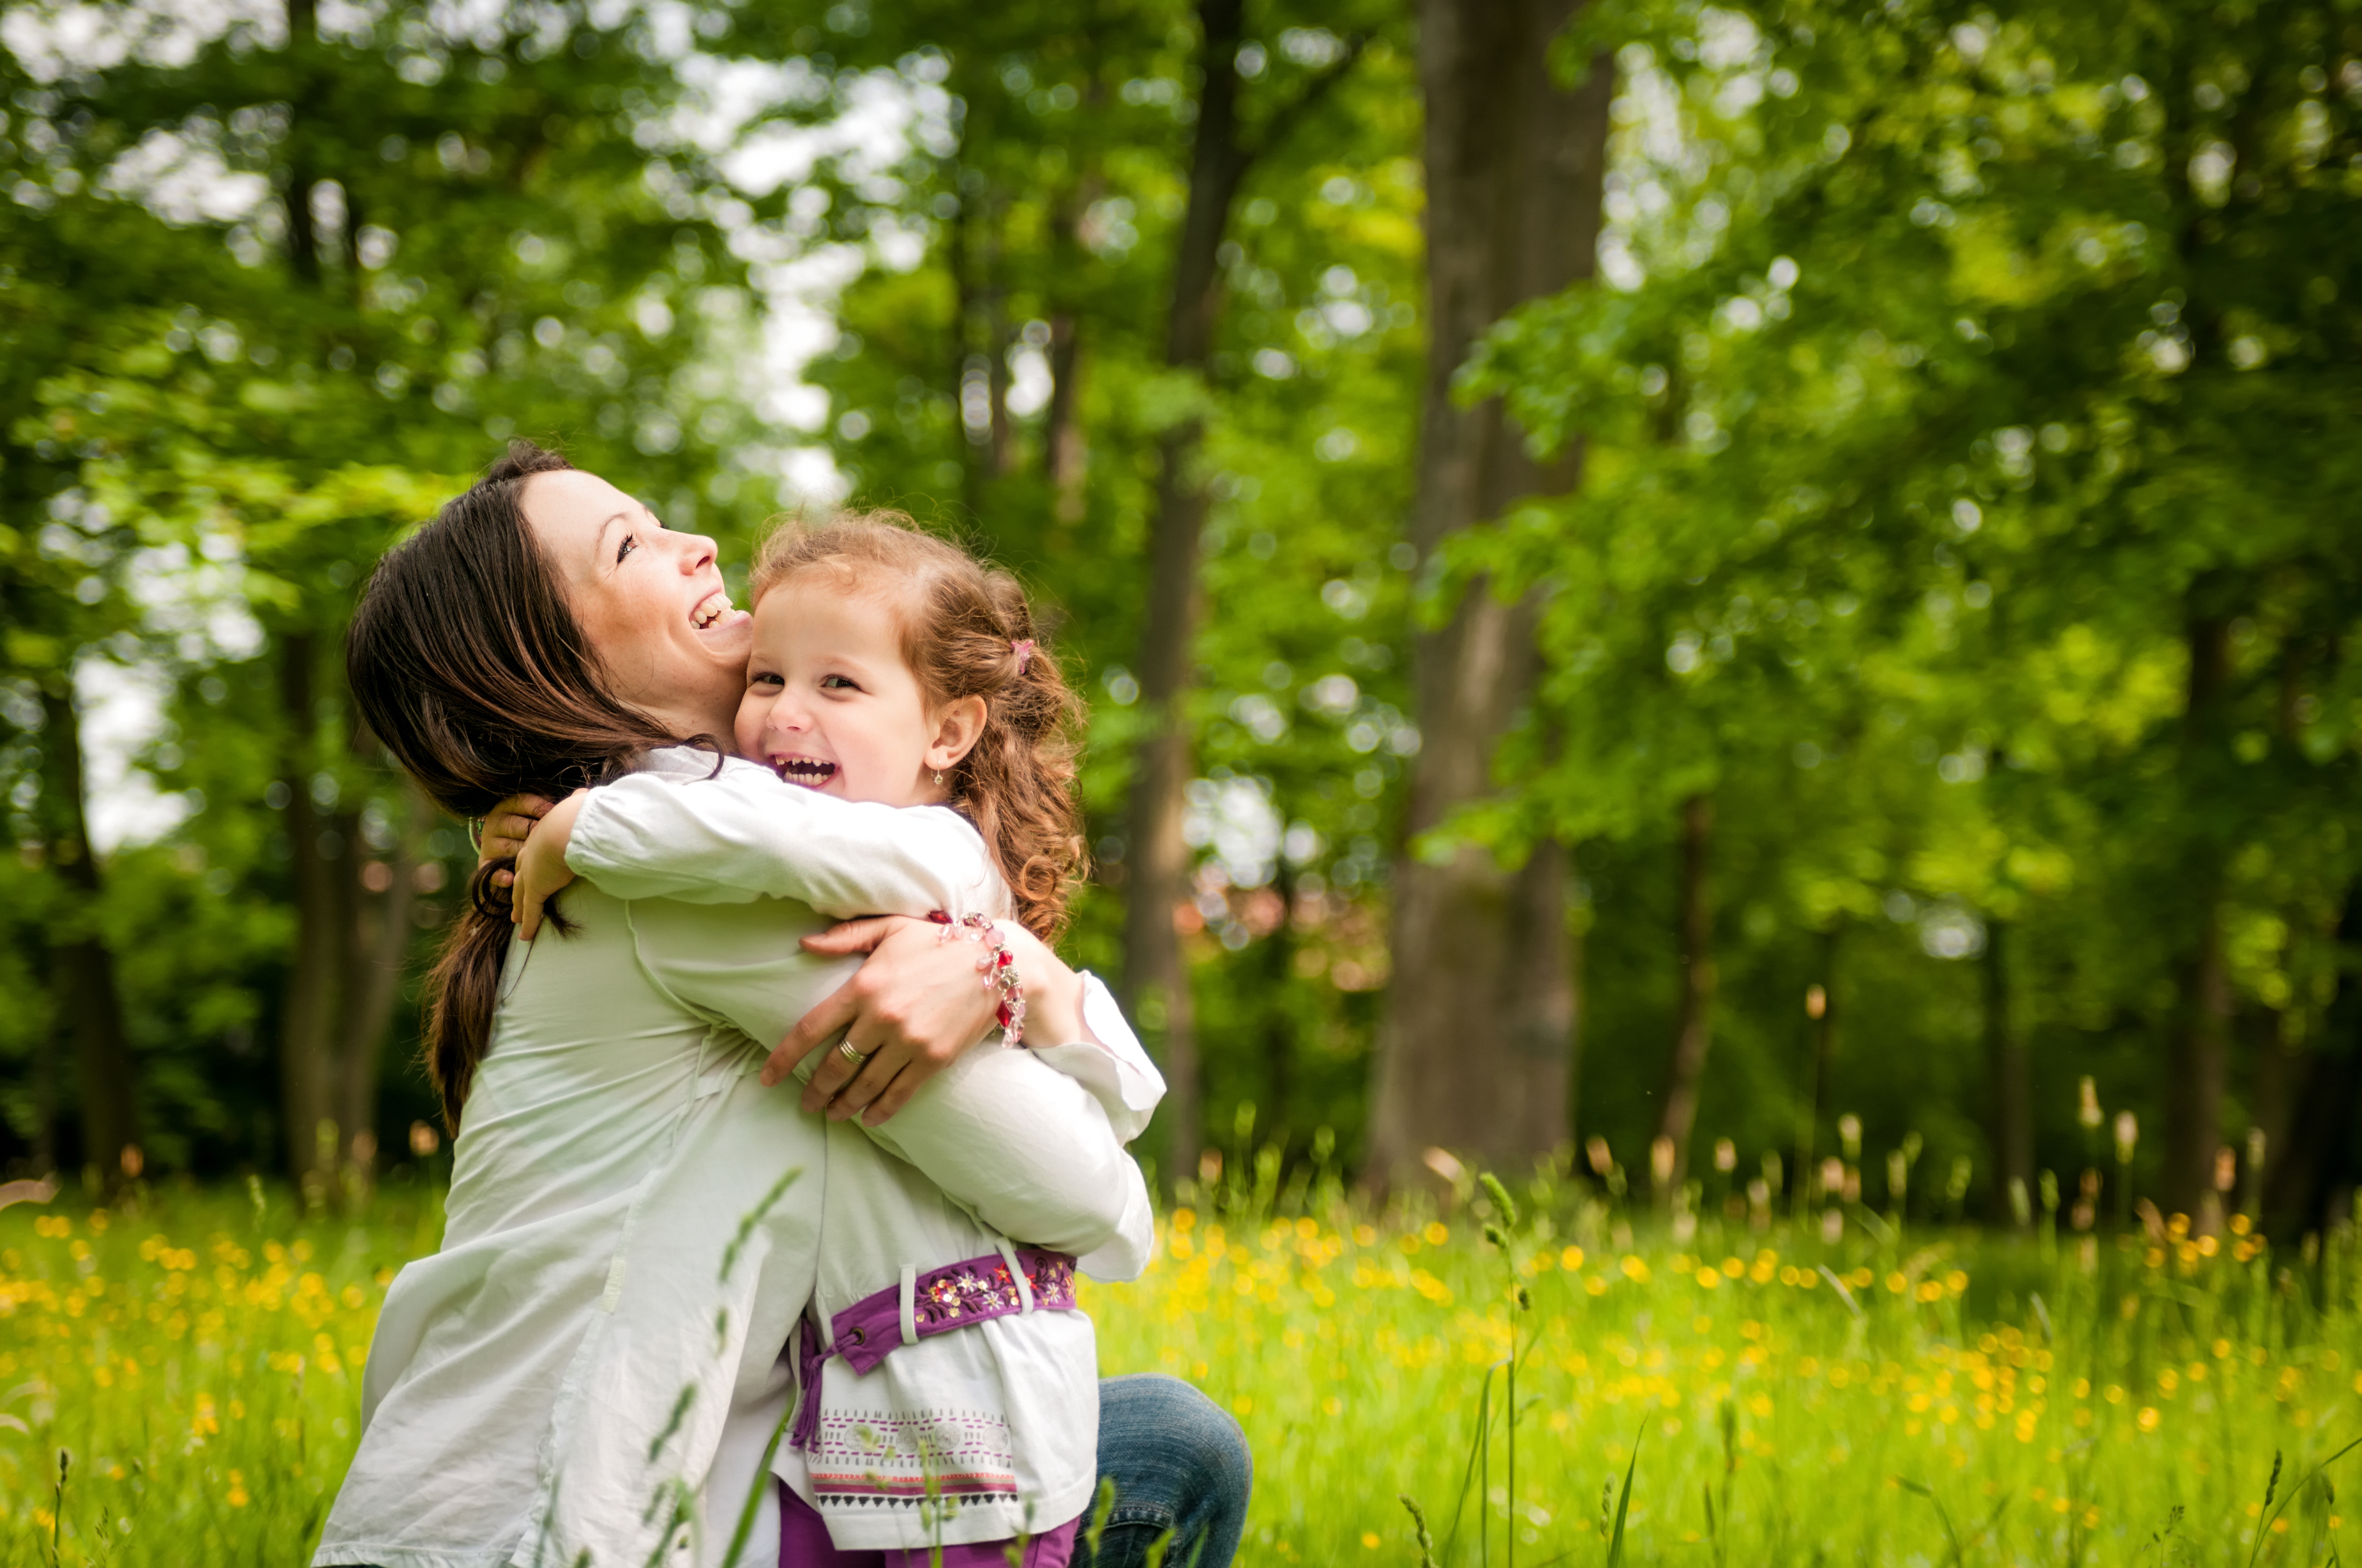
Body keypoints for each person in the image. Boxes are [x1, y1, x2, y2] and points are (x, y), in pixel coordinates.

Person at [315, 444, 1248, 1568]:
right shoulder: (684, 882)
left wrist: (1011, 965)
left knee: (1152, 1435)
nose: (696, 545)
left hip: (635, 1488)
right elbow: (1099, 1207)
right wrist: (1010, 968)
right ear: (546, 664)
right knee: (1178, 1446)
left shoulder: (648, 842)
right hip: (534, 1532)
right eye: (630, 548)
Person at [504, 512, 1150, 1565]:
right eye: (766, 679)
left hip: (978, 1415)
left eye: (837, 686)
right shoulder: (801, 851)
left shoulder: (919, 852)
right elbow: (743, 820)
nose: (780, 715)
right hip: (842, 1409)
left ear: (948, 734)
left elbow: (751, 828)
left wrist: (585, 826)